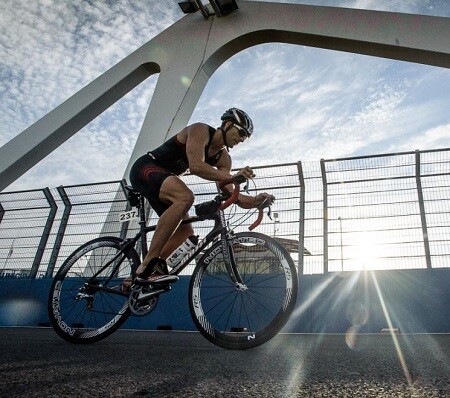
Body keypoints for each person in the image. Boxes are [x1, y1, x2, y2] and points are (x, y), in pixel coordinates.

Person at [128, 107, 275, 285]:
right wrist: (232, 177)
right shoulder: (200, 130)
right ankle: (147, 265)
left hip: (164, 182)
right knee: (185, 197)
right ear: (228, 124)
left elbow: (228, 190)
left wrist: (255, 201)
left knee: (186, 232)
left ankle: (139, 278)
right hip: (145, 168)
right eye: (241, 132)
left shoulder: (224, 159)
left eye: (245, 138)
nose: (242, 139)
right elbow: (196, 165)